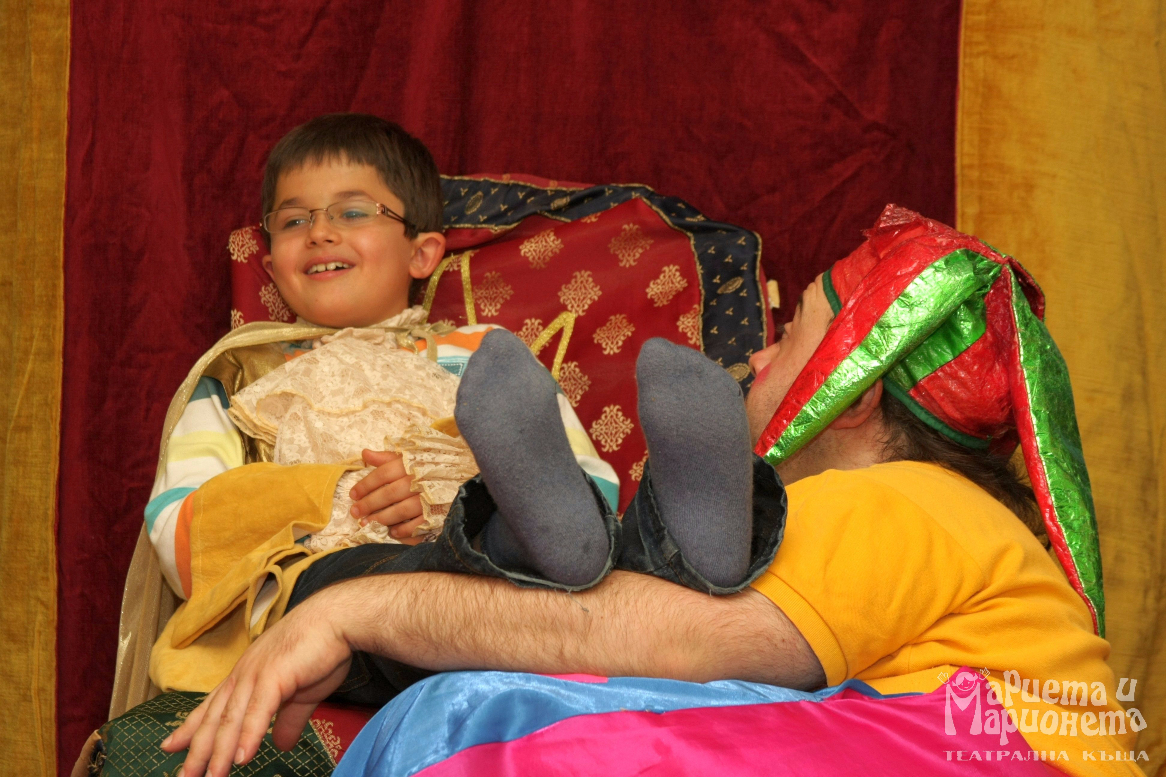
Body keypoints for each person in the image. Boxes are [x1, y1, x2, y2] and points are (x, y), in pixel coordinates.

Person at [164, 205, 1143, 777]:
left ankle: (529, 536)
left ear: (852, 397)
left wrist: (349, 610)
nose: (759, 354)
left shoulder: (905, 501)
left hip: (988, 756)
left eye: (793, 331)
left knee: (479, 724)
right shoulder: (925, 517)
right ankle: (549, 535)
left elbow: (658, 639)